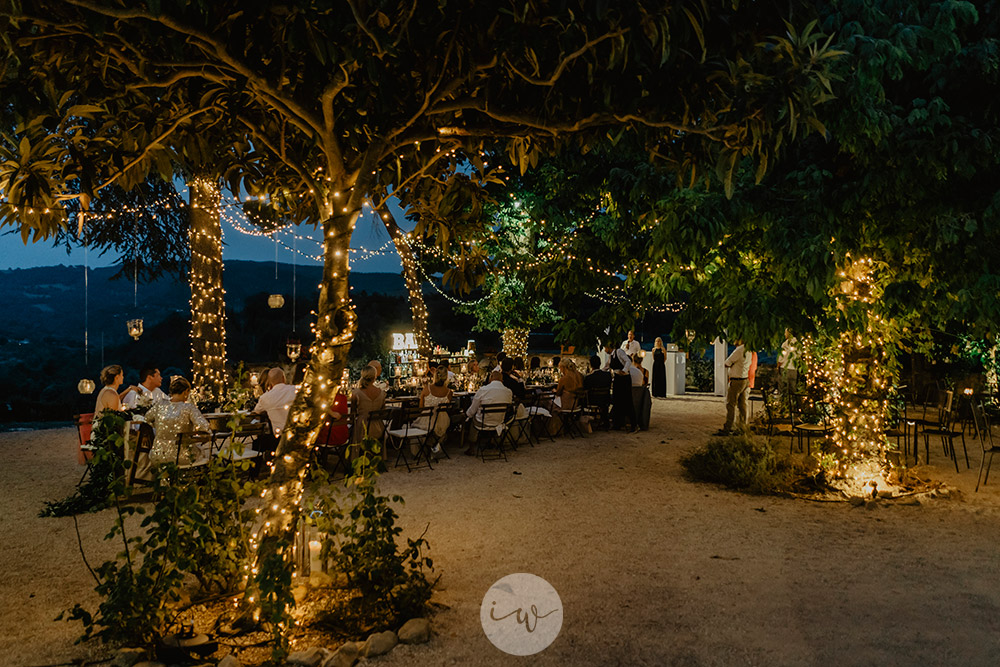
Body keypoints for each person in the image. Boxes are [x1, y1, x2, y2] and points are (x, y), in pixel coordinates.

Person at [145, 375, 210, 468]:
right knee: (206, 452)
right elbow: (204, 427)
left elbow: (146, 419)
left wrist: (157, 427)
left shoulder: (160, 405)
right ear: (185, 392)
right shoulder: (189, 408)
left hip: (158, 454)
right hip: (182, 456)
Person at [465, 371, 513, 450]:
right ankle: (490, 441)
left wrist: (467, 415)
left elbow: (473, 409)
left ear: (490, 378)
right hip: (499, 421)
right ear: (502, 380)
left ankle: (471, 446)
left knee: (472, 418)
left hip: (483, 422)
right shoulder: (508, 391)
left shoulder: (483, 390)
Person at [413, 365, 453, 457]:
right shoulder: (449, 392)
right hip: (443, 422)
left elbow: (421, 408)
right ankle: (434, 445)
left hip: (428, 420)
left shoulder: (427, 389)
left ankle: (424, 448)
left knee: (414, 425)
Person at [717, 339, 752, 435]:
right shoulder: (748, 350)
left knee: (730, 404)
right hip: (745, 379)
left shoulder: (739, 350)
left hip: (736, 380)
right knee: (743, 405)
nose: (733, 340)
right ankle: (742, 427)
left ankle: (728, 427)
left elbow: (727, 363)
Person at [253, 367, 298, 440]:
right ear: (283, 378)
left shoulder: (265, 398)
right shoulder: (295, 390)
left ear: (270, 382)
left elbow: (256, 411)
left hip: (279, 439)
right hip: (298, 434)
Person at [351, 365, 387, 442]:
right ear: (375, 377)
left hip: (361, 428)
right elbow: (383, 412)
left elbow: (352, 414)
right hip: (378, 428)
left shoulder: (356, 393)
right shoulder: (381, 393)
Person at [608, 347, 638, 431]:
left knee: (627, 401)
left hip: (624, 379)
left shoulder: (619, 352)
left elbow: (628, 361)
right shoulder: (611, 356)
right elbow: (607, 366)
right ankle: (617, 424)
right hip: (617, 378)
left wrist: (624, 370)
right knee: (617, 401)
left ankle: (634, 424)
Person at [583, 355, 612, 427]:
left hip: (592, 400)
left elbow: (585, 389)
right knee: (604, 401)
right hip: (606, 399)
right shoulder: (607, 375)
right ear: (600, 363)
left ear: (590, 365)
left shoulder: (589, 377)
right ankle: (605, 421)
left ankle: (583, 420)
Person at [777, 329, 799, 396]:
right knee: (793, 389)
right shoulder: (798, 344)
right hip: (794, 369)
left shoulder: (786, 343)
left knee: (783, 389)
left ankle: (784, 404)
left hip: (785, 368)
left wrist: (778, 365)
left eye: (785, 333)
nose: (784, 334)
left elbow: (781, 357)